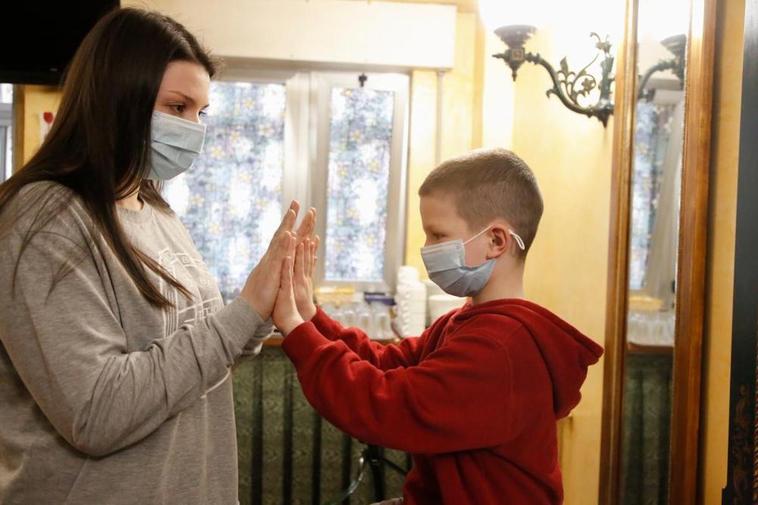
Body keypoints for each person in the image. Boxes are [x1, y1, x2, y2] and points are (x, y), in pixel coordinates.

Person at [0, 8, 312, 505]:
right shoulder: (44, 217)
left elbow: (198, 351)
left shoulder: (152, 205)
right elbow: (96, 412)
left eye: (201, 113)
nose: (194, 128)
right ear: (118, 98)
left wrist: (268, 306)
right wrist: (244, 312)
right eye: (177, 106)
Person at [272, 148, 605, 504]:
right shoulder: (467, 321)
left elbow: (386, 404)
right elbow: (387, 364)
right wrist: (310, 316)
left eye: (438, 235)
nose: (426, 248)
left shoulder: (500, 347)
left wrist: (295, 329)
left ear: (496, 241)